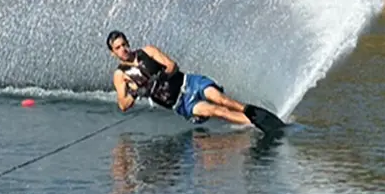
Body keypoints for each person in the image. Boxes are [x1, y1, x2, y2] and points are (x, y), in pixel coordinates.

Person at [106, 30, 284, 131]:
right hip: (181, 104)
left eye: (124, 44)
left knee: (222, 99)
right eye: (118, 48)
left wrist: (160, 76)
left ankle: (251, 112)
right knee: (217, 110)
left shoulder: (148, 51)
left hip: (188, 83)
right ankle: (255, 123)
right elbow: (123, 105)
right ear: (113, 53)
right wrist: (137, 93)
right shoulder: (120, 75)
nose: (124, 49)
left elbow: (172, 65)